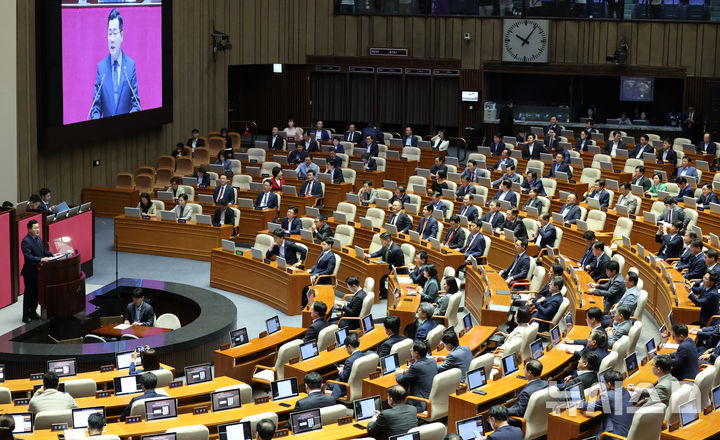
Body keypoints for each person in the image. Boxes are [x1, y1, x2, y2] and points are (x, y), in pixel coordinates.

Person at [90, 8, 140, 119]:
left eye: (115, 33)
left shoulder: (130, 66)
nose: (112, 39)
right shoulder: (101, 67)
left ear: (121, 36)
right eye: (109, 33)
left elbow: (136, 104)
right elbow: (96, 107)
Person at [579, 370, 633, 438]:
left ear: (609, 384)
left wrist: (581, 403)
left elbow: (591, 407)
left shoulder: (608, 396)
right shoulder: (625, 391)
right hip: (627, 434)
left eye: (604, 382)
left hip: (614, 437)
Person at [21, 220, 55, 322]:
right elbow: (28, 257)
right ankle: (25, 315)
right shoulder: (26, 241)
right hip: (30, 272)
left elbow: (44, 252)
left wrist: (53, 254)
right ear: (29, 229)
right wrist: (41, 259)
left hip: (39, 271)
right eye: (35, 228)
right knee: (29, 294)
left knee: (36, 293)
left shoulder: (39, 239)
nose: (38, 230)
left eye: (38, 227)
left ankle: (33, 311)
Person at [396, 340, 438, 411]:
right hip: (432, 399)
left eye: (411, 350)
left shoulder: (416, 367)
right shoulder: (432, 361)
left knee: (396, 393)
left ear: (416, 353)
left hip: (420, 402)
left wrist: (399, 373)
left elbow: (401, 380)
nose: (410, 351)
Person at [331, 333, 368, 398]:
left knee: (329, 384)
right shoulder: (365, 355)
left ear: (349, 346)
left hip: (349, 387)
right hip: (362, 384)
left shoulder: (349, 361)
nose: (346, 349)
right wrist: (346, 368)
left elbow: (343, 378)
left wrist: (340, 371)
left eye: (345, 347)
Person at [370, 232, 405, 298]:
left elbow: (399, 264)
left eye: (382, 241)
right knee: (375, 272)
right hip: (386, 266)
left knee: (380, 275)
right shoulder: (385, 246)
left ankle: (384, 293)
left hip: (395, 269)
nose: (381, 242)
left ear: (388, 240)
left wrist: (386, 264)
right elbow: (378, 253)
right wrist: (369, 255)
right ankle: (383, 291)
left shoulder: (397, 250)